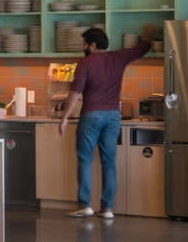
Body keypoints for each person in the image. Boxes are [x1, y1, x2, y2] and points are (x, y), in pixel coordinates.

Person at [57, 25, 156, 218]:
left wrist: (65, 117)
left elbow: (75, 93)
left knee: (85, 159)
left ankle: (85, 205)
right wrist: (148, 34)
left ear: (93, 45)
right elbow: (141, 49)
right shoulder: (118, 58)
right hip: (112, 116)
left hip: (91, 116)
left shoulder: (85, 63)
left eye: (85, 43)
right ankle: (107, 208)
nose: (84, 46)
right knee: (109, 162)